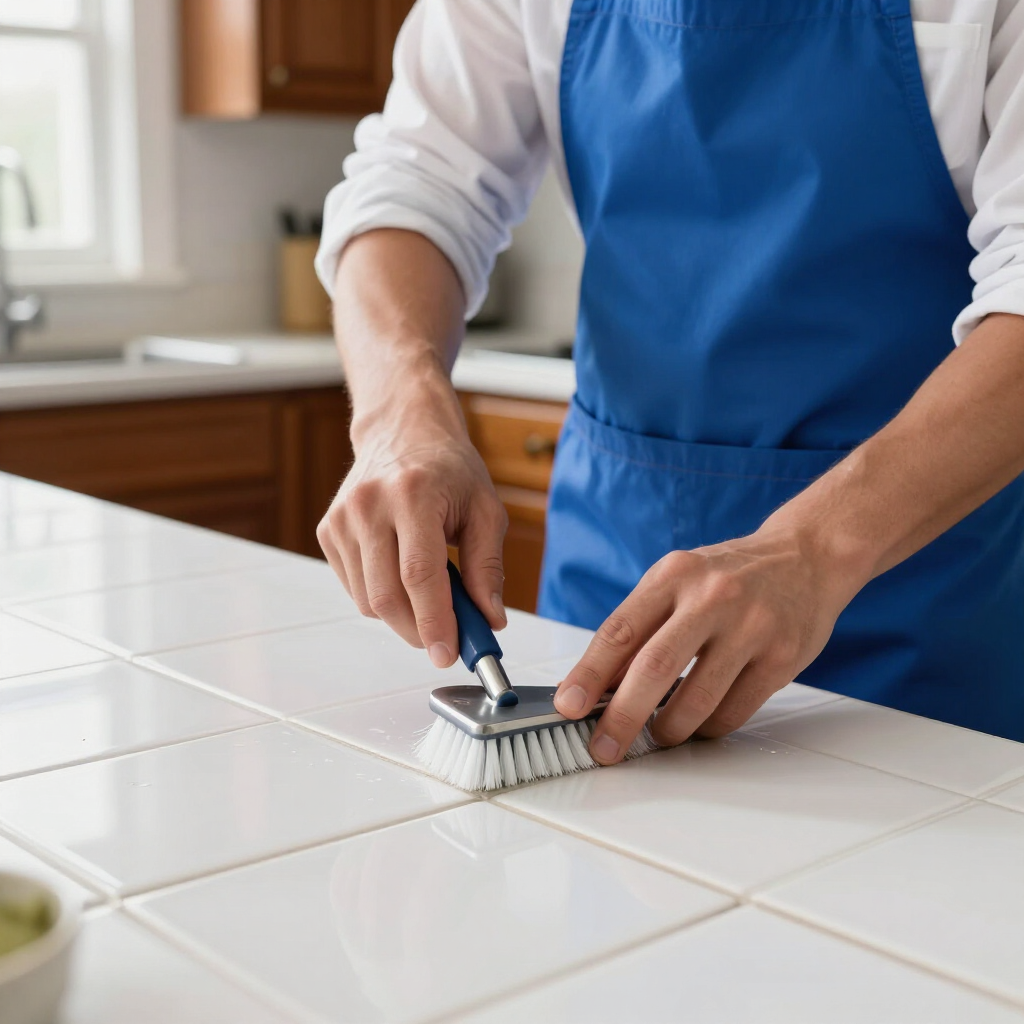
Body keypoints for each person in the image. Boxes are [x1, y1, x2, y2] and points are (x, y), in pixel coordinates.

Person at [315, 0, 1024, 755]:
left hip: (921, 597)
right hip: (609, 585)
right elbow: (415, 187)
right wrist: (401, 415)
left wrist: (816, 550)